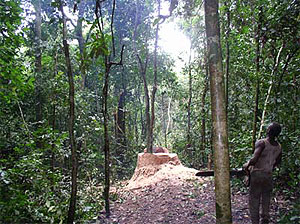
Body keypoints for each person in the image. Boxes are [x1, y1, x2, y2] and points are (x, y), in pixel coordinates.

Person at [244, 122, 282, 224]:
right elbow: (278, 161)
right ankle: (265, 218)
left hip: (257, 174)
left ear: (269, 131)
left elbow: (254, 159)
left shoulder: (262, 143)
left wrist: (247, 166)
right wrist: (270, 167)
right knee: (266, 197)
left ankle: (255, 221)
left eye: (268, 128)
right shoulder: (279, 146)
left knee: (254, 199)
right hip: (268, 175)